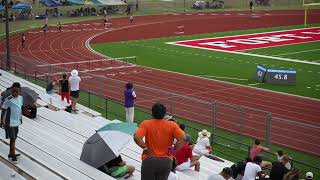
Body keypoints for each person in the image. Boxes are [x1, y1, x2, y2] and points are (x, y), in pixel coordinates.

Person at [134, 103, 186, 180]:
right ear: (164, 114)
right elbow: (183, 138)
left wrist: (145, 149)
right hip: (166, 161)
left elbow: (137, 137)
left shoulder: (146, 123)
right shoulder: (172, 125)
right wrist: (172, 151)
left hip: (150, 159)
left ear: (152, 113)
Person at [0, 82, 23, 164]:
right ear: (11, 90)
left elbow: (19, 109)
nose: (15, 93)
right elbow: (3, 109)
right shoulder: (8, 99)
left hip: (17, 122)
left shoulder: (21, 98)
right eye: (13, 91)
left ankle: (11, 153)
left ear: (19, 91)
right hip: (9, 122)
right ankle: (12, 156)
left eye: (16, 91)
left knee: (14, 138)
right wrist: (1, 120)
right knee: (12, 139)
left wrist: (20, 118)